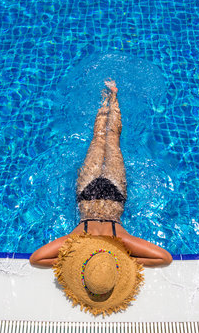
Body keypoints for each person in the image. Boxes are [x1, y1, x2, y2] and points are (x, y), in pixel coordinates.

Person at [29, 79, 172, 316]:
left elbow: (35, 260)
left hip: (114, 195)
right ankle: (111, 97)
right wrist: (78, 261)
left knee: (109, 141)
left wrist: (122, 259)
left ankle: (111, 97)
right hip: (88, 193)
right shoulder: (75, 241)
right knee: (100, 139)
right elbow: (37, 259)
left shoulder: (119, 242)